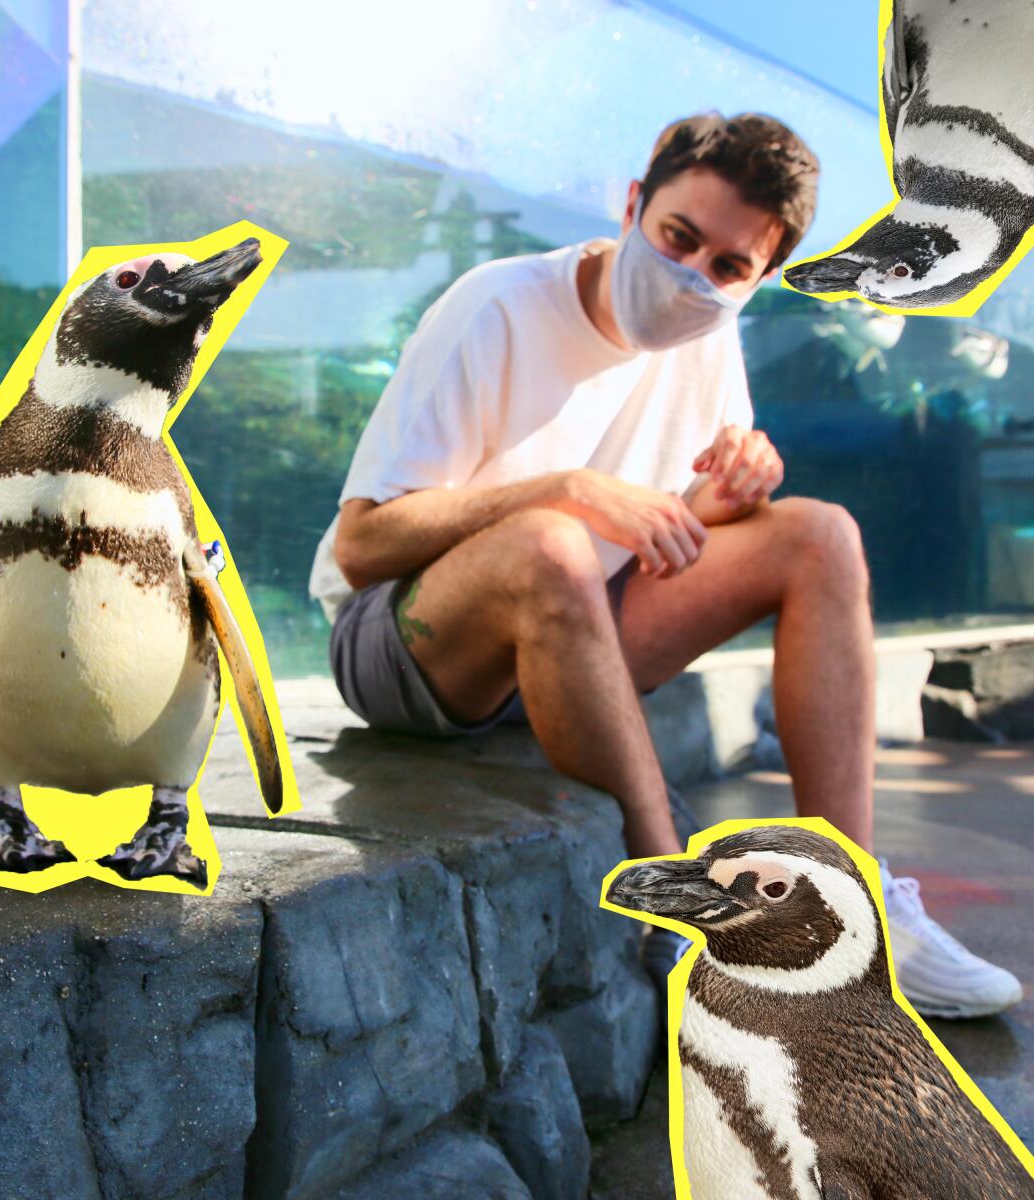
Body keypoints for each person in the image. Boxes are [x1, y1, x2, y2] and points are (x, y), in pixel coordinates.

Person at [308, 112, 1022, 1020]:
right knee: (552, 539)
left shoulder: (707, 334)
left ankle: (847, 909)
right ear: (634, 202)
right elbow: (363, 545)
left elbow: (675, 528)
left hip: (575, 631)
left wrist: (730, 497)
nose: (694, 276)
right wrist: (563, 490)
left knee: (821, 533)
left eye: (729, 267)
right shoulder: (498, 306)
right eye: (678, 237)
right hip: (405, 647)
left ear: (756, 281)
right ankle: (682, 906)